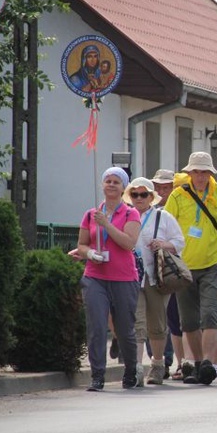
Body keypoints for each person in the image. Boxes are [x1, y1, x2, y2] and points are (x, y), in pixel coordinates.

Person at [164, 152, 217, 384]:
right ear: (189, 173)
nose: (200, 176)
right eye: (196, 171)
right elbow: (167, 226)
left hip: (213, 262)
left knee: (210, 314)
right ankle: (194, 364)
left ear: (211, 173)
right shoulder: (177, 195)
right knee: (189, 320)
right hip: (183, 265)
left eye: (204, 171)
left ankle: (207, 363)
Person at [77, 167, 140, 391]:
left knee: (124, 329)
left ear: (123, 188)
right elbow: (82, 244)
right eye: (108, 181)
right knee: (96, 325)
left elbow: (128, 243)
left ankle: (131, 370)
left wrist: (107, 225)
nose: (111, 185)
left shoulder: (131, 213)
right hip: (95, 276)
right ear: (102, 185)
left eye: (116, 182)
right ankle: (97, 375)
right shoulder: (90, 214)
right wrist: (89, 253)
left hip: (123, 277)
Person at [123, 177, 185, 385]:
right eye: (135, 194)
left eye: (143, 194)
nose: (139, 198)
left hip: (155, 275)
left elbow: (179, 242)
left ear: (151, 197)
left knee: (157, 323)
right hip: (130, 274)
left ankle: (158, 364)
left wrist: (163, 244)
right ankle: (137, 368)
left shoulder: (163, 217)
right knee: (137, 321)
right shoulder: (124, 216)